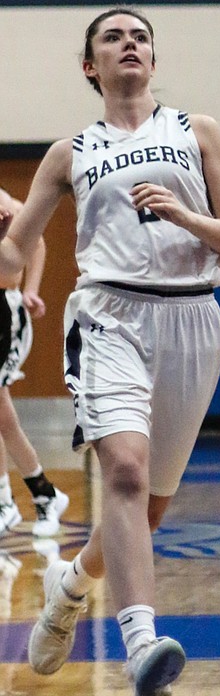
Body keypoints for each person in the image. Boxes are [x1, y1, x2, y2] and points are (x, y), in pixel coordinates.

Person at [0, 7, 220, 696]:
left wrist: (184, 215)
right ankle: (142, 643)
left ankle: (71, 588)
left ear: (153, 56)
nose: (129, 44)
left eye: (139, 35)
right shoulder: (69, 151)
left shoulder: (195, 132)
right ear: (92, 66)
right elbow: (14, 253)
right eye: (113, 37)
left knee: (147, 512)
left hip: (194, 318)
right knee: (126, 472)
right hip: (109, 314)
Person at [0, 193, 68, 537]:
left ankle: (8, 503)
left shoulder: (2, 201)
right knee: (2, 416)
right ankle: (43, 494)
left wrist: (32, 288)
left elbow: (36, 239)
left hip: (7, 312)